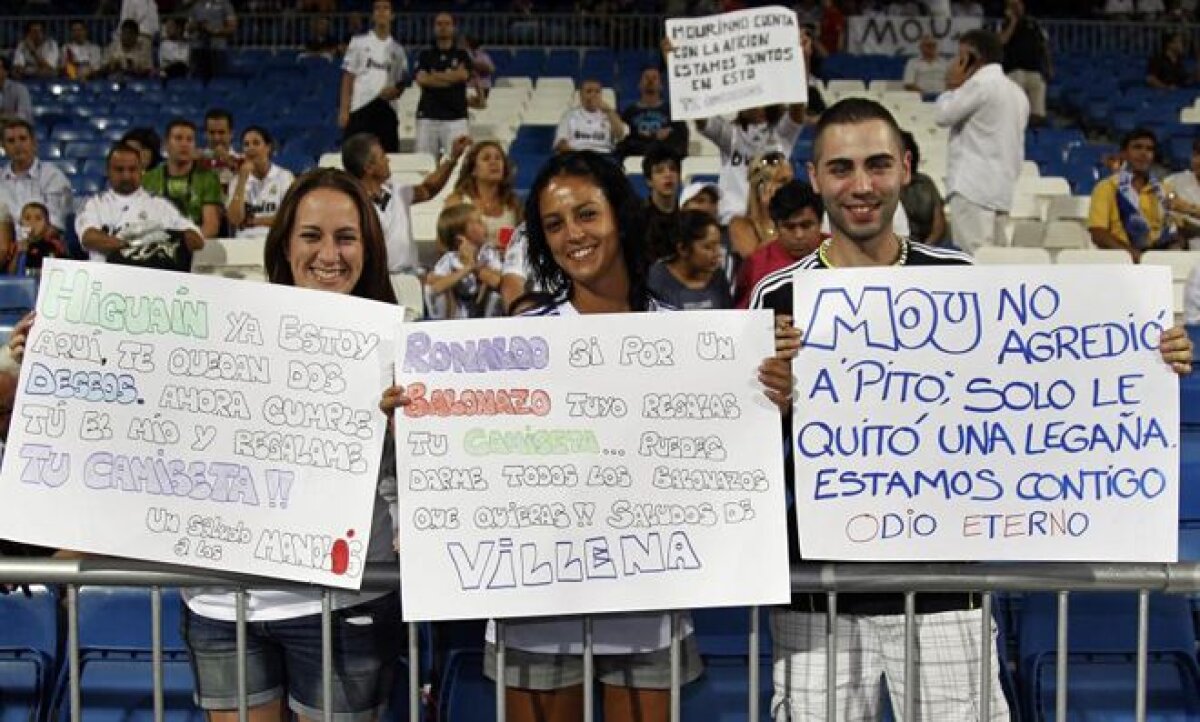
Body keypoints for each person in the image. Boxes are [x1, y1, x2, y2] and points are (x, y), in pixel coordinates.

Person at [747, 96, 1195, 722]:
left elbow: (1037, 387)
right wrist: (773, 396)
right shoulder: (776, 293)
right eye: (841, 169)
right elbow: (747, 445)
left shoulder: (958, 276)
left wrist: (1149, 359)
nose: (861, 185)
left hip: (945, 587)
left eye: (877, 165)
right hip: (816, 592)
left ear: (906, 167)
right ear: (816, 177)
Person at [184, 168, 405, 722]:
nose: (328, 253)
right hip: (222, 604)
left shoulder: (403, 347)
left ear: (368, 247)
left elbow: (432, 481)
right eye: (311, 235)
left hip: (344, 605)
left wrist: (410, 436)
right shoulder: (225, 329)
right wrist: (55, 346)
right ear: (285, 243)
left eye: (345, 237)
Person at [935, 29, 1029, 253]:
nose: (956, 63)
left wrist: (952, 86)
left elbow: (943, 116)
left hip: (972, 188)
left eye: (960, 57)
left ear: (971, 57)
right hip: (1001, 189)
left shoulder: (979, 85)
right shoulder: (1017, 92)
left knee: (973, 260)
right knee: (996, 260)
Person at [341, 131, 470, 272]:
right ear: (369, 168)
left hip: (412, 276)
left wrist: (452, 159)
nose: (387, 160)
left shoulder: (397, 192)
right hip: (378, 282)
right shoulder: (351, 207)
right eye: (382, 156)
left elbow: (428, 189)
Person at [76, 142, 204, 267]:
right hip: (106, 276)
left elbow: (196, 240)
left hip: (151, 278)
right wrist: (135, 246)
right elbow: (88, 238)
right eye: (119, 170)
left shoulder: (160, 205)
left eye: (132, 169)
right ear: (108, 171)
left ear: (142, 170)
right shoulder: (95, 204)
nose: (126, 176)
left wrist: (167, 238)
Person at [696, 102, 806, 225]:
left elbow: (797, 109)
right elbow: (702, 121)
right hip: (732, 220)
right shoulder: (731, 134)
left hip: (772, 219)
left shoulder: (781, 132)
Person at [1089, 128, 1182, 261]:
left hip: (1159, 260)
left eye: (1149, 149)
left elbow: (1176, 230)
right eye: (1137, 147)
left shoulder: (1164, 190)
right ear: (1124, 154)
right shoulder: (1106, 188)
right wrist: (1132, 254)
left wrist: (1172, 250)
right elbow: (1098, 233)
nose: (1143, 153)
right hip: (1120, 260)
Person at [734, 179, 824, 308]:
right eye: (789, 227)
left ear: (820, 223)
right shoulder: (756, 264)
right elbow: (743, 319)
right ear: (776, 227)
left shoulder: (842, 252)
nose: (799, 235)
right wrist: (769, 322)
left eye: (806, 225)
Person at [339, 0, 407, 153]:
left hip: (386, 110)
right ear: (373, 15)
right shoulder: (358, 43)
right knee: (356, 156)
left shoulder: (398, 50)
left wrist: (395, 91)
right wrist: (344, 110)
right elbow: (348, 77)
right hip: (360, 108)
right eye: (377, 8)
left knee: (388, 155)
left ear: (392, 15)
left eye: (386, 8)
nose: (381, 12)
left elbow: (400, 83)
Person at [142, 118, 223, 239]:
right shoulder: (148, 179)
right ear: (166, 145)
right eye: (178, 138)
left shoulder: (208, 178)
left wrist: (188, 244)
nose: (184, 144)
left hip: (195, 244)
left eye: (189, 140)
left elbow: (211, 226)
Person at [0, 118, 73, 244]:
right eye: (11, 141)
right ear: (3, 147)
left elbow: (54, 226)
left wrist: (22, 246)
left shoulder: (53, 177)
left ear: (34, 143)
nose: (17, 145)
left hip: (40, 248)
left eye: (23, 139)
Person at [426, 203, 503, 319]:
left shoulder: (488, 253)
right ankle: (442, 327)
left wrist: (476, 267)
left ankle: (491, 325)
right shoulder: (450, 258)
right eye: (479, 222)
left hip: (481, 310)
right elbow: (436, 288)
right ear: (460, 237)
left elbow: (498, 282)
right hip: (457, 311)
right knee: (431, 290)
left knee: (496, 294)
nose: (485, 225)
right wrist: (467, 268)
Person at [413, 13, 473, 158]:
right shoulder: (425, 55)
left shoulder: (462, 55)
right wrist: (451, 77)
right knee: (423, 162)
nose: (443, 27)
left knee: (459, 163)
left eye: (447, 24)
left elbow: (463, 76)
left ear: (453, 28)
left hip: (456, 118)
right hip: (428, 116)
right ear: (434, 28)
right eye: (439, 24)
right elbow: (422, 80)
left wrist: (434, 76)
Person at [647, 209, 732, 310]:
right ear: (683, 249)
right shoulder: (656, 279)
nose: (717, 253)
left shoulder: (718, 277)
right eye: (708, 247)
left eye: (718, 245)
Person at [444, 140, 523, 247]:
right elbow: (443, 245)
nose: (494, 162)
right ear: (473, 170)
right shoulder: (457, 201)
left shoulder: (513, 202)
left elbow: (523, 241)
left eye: (498, 158)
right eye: (486, 158)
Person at [227, 126, 295, 240]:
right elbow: (235, 219)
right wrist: (242, 179)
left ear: (268, 147)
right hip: (243, 241)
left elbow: (289, 217)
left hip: (275, 239)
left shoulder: (284, 177)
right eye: (246, 144)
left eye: (256, 143)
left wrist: (255, 221)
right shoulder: (237, 181)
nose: (250, 148)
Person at [730, 151, 795, 261]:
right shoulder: (740, 225)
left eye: (791, 181)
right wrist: (767, 214)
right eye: (782, 181)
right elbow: (756, 263)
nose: (791, 187)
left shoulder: (797, 222)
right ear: (761, 187)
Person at [614, 66, 688, 160]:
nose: (650, 81)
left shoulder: (673, 112)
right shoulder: (629, 113)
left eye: (654, 78)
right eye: (647, 77)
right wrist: (656, 139)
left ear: (661, 85)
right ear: (639, 84)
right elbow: (624, 144)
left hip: (664, 161)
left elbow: (680, 145)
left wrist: (647, 141)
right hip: (635, 162)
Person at [1000, 0, 1053, 126]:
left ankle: (1035, 133)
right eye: (1013, 5)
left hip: (1034, 70)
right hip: (1015, 71)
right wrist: (1013, 21)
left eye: (1018, 4)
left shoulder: (1034, 23)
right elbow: (1002, 41)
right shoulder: (1005, 24)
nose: (1017, 7)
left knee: (1038, 112)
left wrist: (1049, 66)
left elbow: (1044, 46)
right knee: (1016, 109)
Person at [899, 130, 948, 245]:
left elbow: (939, 225)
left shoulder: (925, 182)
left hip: (928, 246)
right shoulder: (885, 185)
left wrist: (925, 249)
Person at [554, 79, 626, 155]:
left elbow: (620, 135)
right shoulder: (570, 115)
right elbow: (561, 143)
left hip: (602, 156)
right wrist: (574, 156)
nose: (593, 95)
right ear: (581, 95)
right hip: (577, 155)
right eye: (589, 91)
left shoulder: (609, 115)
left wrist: (609, 111)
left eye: (597, 92)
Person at [641, 144, 681, 261]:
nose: (668, 175)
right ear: (649, 181)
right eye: (659, 171)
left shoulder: (686, 218)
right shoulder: (637, 219)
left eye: (673, 169)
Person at [8, 201, 67, 275]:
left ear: (47, 224)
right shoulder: (16, 247)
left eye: (38, 218)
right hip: (22, 285)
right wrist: (17, 254)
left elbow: (63, 270)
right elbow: (10, 274)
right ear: (20, 223)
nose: (32, 223)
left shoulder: (55, 245)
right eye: (27, 218)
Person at [188, 0, 237, 81]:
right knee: (196, 81)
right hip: (198, 49)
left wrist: (214, 31)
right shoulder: (196, 5)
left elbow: (232, 28)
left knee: (219, 81)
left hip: (218, 49)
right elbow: (189, 27)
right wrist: (198, 25)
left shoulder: (225, 4)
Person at [1166, 137, 1200, 249]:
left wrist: (1189, 209)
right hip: (1182, 248)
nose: (1198, 161)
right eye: (1196, 155)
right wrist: (1171, 200)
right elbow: (1169, 199)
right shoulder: (1174, 181)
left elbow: (1182, 207)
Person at [201, 108, 242, 196]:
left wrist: (228, 160)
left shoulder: (243, 162)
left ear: (231, 134)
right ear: (205, 134)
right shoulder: (194, 163)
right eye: (212, 133)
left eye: (221, 132)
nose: (216, 138)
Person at [461, 34, 494, 106]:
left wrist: (472, 63)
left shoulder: (481, 55)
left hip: (481, 87)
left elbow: (491, 69)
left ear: (467, 43)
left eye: (462, 42)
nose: (460, 45)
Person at [0, 58, 32, 126]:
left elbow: (23, 116)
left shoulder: (20, 89)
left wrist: (4, 117)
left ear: (6, 72)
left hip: (13, 129)